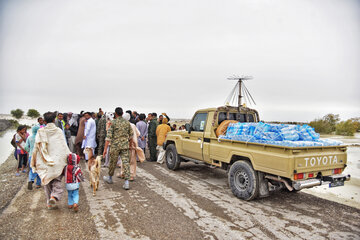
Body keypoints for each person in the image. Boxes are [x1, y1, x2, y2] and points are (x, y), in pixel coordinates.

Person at [31, 112, 70, 210]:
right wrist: (68, 156)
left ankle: (49, 203)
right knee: (56, 180)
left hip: (44, 161)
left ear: (44, 121)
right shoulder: (59, 131)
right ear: (54, 120)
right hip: (57, 161)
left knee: (47, 181)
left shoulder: (40, 131)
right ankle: (54, 196)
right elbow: (63, 146)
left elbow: (36, 148)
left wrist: (34, 162)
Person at [103, 107, 133, 190]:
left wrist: (105, 150)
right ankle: (126, 182)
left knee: (112, 162)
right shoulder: (127, 123)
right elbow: (131, 136)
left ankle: (109, 178)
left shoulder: (113, 123)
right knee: (126, 163)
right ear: (122, 113)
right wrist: (129, 146)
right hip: (125, 146)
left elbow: (108, 138)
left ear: (115, 114)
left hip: (115, 146)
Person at [122, 113, 145, 181]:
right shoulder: (133, 125)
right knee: (132, 161)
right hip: (133, 146)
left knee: (124, 160)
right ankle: (131, 176)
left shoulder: (122, 126)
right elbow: (138, 134)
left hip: (124, 146)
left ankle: (123, 173)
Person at [25, 125, 41, 190]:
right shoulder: (40, 138)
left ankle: (31, 179)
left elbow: (26, 147)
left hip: (31, 155)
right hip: (38, 156)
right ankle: (38, 184)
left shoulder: (29, 137)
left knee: (32, 169)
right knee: (39, 169)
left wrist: (29, 152)